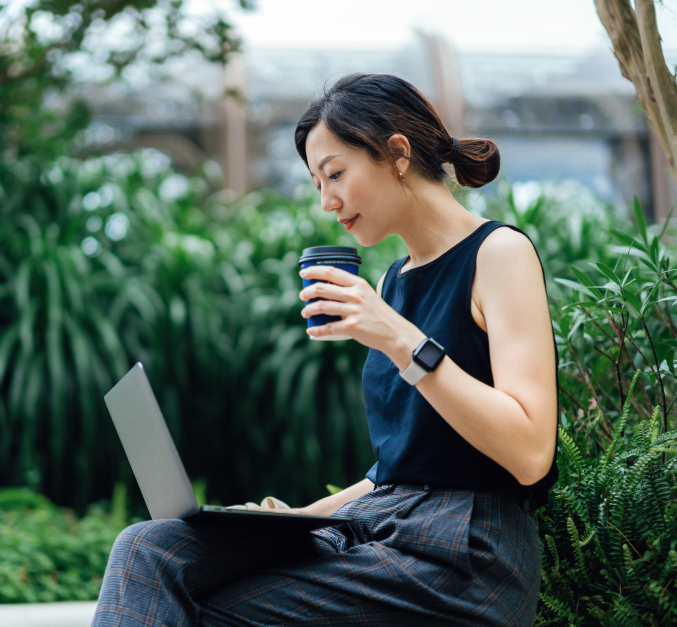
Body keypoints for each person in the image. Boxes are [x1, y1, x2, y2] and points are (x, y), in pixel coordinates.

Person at [92, 73, 559, 627]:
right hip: (380, 528)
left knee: (205, 613)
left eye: (334, 174)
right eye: (317, 182)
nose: (325, 201)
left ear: (397, 153)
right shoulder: (394, 284)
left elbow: (531, 453)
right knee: (149, 552)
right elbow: (401, 469)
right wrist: (296, 519)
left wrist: (398, 337)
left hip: (465, 556)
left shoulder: (498, 254)